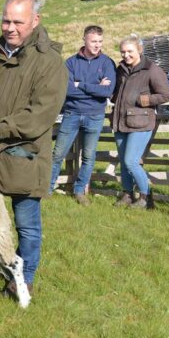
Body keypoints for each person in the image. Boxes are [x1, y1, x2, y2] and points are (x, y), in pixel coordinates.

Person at [0, 0, 67, 298]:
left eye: (18, 21)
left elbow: (39, 115)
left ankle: (23, 279)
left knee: (27, 223)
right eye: (6, 20)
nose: (10, 27)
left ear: (35, 21)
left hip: (23, 157)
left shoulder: (49, 63)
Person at [49, 25, 116, 204]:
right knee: (58, 153)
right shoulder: (71, 62)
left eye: (100, 41)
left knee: (88, 155)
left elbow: (107, 91)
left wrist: (81, 85)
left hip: (95, 116)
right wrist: (95, 87)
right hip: (71, 113)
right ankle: (47, 188)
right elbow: (66, 90)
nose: (97, 45)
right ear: (84, 40)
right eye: (94, 41)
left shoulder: (107, 63)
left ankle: (80, 191)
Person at [110, 34, 169, 209]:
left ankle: (145, 197)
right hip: (121, 121)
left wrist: (144, 100)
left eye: (130, 51)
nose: (126, 55)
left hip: (141, 123)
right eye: (123, 52)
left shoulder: (152, 69)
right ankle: (128, 194)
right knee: (123, 161)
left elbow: (165, 95)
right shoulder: (121, 68)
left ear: (139, 50)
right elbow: (116, 91)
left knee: (131, 161)